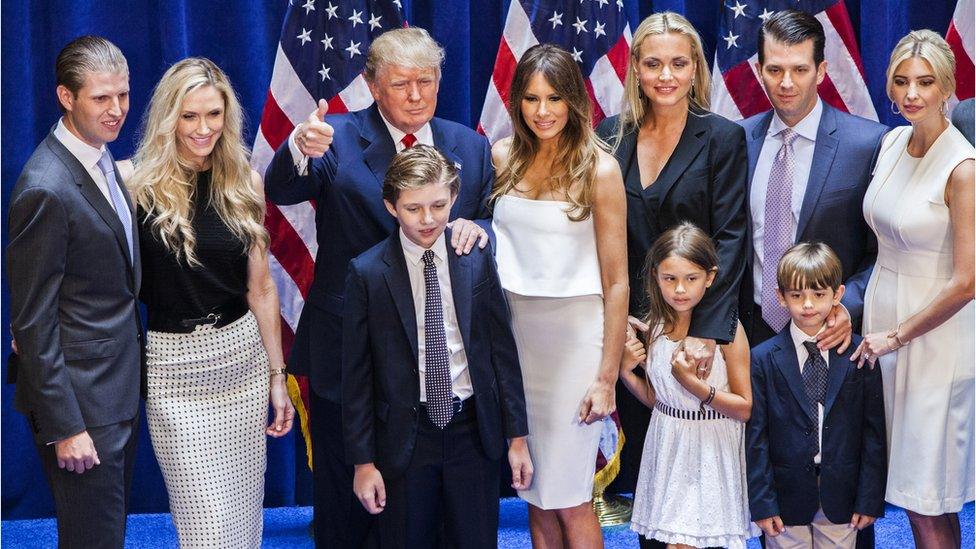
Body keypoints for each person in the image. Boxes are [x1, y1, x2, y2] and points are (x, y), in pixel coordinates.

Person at [263, 27, 492, 547]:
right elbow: (283, 187)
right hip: (351, 352)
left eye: (426, 82)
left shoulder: (470, 147)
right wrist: (299, 147)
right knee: (348, 510)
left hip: (439, 360)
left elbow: (487, 224)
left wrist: (485, 231)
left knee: (428, 515)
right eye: (401, 84)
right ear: (372, 84)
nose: (415, 96)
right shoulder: (335, 137)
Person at [125, 57, 295, 547]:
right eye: (190, 116)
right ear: (168, 118)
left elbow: (260, 288)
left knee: (242, 522)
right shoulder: (135, 187)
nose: (204, 129)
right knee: (205, 526)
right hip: (172, 369)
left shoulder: (245, 181)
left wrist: (276, 376)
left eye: (213, 115)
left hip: (241, 360)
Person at [341, 145, 532, 548]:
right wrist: (363, 462)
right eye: (413, 209)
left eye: (438, 205)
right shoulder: (368, 272)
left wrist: (517, 438)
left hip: (472, 433)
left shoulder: (475, 255)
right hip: (405, 440)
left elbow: (502, 352)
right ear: (391, 206)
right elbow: (357, 378)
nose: (428, 219)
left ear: (454, 197)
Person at [595, 12, 748, 495]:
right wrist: (616, 331)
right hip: (634, 332)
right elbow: (600, 239)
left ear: (696, 68)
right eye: (654, 63)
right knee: (650, 477)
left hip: (696, 331)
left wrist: (702, 332)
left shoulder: (723, 137)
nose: (666, 76)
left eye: (679, 64)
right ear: (635, 68)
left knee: (701, 483)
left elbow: (730, 237)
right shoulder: (609, 135)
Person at [6, 36, 141, 548]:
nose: (117, 111)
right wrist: (65, 426)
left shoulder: (99, 160)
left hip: (113, 392)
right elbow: (32, 322)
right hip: (81, 409)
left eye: (123, 96)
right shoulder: (46, 186)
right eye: (101, 98)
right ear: (66, 97)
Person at [491, 43, 628, 547]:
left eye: (554, 98)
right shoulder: (501, 156)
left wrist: (607, 378)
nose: (543, 112)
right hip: (513, 340)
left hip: (576, 343)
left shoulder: (600, 169)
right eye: (531, 99)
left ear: (574, 101)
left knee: (569, 495)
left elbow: (616, 282)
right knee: (534, 491)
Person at [856, 29, 975, 548]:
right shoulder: (890, 142)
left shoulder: (964, 168)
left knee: (928, 497)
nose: (912, 94)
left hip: (934, 340)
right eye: (902, 81)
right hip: (883, 325)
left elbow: (968, 282)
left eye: (925, 82)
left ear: (947, 86)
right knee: (911, 493)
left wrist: (897, 336)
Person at [738, 10, 888, 349]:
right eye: (775, 70)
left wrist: (848, 307)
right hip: (751, 338)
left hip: (832, 334)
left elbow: (884, 251)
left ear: (821, 71)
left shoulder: (867, 144)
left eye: (800, 70)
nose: (786, 83)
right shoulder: (738, 140)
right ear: (760, 71)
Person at [620, 222, 756, 549]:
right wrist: (627, 373)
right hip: (667, 446)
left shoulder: (727, 331)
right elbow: (660, 400)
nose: (680, 289)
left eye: (691, 279)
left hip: (710, 449)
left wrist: (695, 385)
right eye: (670, 279)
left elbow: (745, 407)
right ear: (655, 276)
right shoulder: (654, 326)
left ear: (710, 277)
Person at [747, 242, 886, 549]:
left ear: (837, 294)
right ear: (780, 297)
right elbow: (756, 436)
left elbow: (873, 433)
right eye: (796, 295)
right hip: (785, 499)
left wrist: (869, 498)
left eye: (819, 295)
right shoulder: (762, 358)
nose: (807, 304)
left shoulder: (859, 355)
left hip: (843, 497)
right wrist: (763, 502)